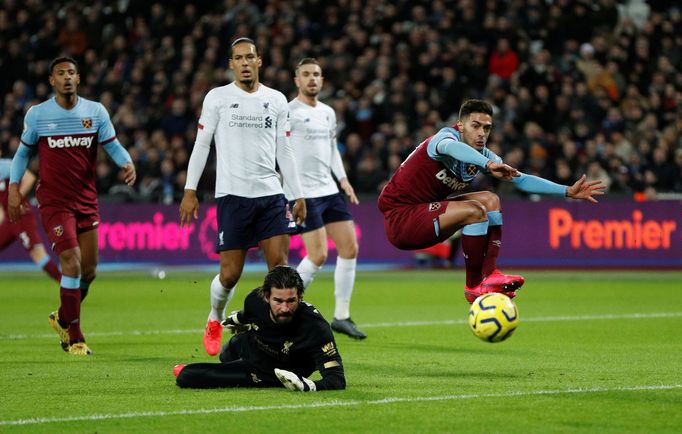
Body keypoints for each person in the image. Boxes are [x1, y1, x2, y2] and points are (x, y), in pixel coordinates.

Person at [378, 99, 606, 303]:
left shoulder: (484, 155)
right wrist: (486, 165)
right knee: (475, 211)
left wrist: (566, 191)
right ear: (460, 126)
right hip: (401, 219)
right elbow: (452, 148)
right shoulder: (444, 139)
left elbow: (520, 179)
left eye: (486, 128)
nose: (481, 133)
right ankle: (473, 286)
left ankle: (490, 274)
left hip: (424, 213)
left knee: (490, 200)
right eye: (475, 126)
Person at [180, 37, 306, 356]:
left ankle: (275, 339)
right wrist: (190, 190)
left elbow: (285, 150)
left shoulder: (276, 100)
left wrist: (297, 194)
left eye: (250, 57)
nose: (245, 62)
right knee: (230, 274)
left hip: (270, 196)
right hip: (233, 197)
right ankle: (215, 317)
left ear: (259, 61)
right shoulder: (218, 98)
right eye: (239, 58)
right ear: (231, 64)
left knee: (279, 271)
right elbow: (201, 145)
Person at [8, 56, 136, 356]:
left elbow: (113, 146)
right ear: (52, 80)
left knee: (89, 271)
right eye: (61, 74)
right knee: (72, 263)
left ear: (78, 79)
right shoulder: (38, 115)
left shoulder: (95, 112)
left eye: (72, 73)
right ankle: (75, 337)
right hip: (54, 202)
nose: (67, 78)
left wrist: (126, 162)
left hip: (86, 201)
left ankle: (62, 317)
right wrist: (15, 189)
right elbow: (22, 156)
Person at [285, 58, 366, 340]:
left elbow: (331, 150)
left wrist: (343, 181)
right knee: (317, 255)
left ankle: (342, 316)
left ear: (322, 80)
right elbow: (280, 152)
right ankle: (285, 308)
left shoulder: (329, 113)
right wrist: (292, 192)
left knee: (349, 248)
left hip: (329, 190)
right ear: (297, 80)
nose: (312, 79)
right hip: (303, 194)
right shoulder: (289, 111)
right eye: (306, 75)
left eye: (316, 74)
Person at [175, 265, 345, 392]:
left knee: (187, 376)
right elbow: (246, 314)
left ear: (300, 297)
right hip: (251, 344)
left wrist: (307, 385)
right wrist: (235, 319)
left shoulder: (315, 327)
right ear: (266, 297)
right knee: (226, 353)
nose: (285, 308)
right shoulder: (254, 301)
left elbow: (336, 379)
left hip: (265, 371)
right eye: (278, 301)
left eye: (291, 301)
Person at [1, 156, 61, 281]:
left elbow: (29, 177)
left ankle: (68, 287)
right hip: (8, 220)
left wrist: (16, 198)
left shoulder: (6, 165)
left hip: (21, 218)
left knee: (38, 254)